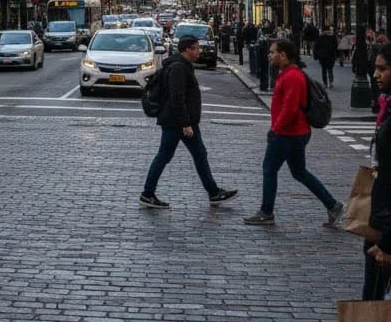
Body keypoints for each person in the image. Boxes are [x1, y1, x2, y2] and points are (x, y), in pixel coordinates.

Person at [244, 38, 344, 227]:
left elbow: (289, 108)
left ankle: (266, 211)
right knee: (299, 172)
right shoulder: (290, 73)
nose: (269, 55)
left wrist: (276, 129)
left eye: (273, 52)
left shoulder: (292, 76)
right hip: (295, 132)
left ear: (283, 55)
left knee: (269, 169)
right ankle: (332, 205)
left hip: (288, 133)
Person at [139, 35, 238, 209]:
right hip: (178, 121)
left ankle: (213, 192)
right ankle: (148, 193)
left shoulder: (182, 66)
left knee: (196, 154)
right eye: (196, 48)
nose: (198, 51)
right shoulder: (178, 68)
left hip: (180, 120)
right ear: (187, 50)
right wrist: (186, 123)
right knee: (167, 156)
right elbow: (177, 98)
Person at [364, 43, 391, 300]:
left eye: (383, 69)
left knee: (374, 302)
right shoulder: (387, 106)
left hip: (386, 226)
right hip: (380, 220)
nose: (376, 75)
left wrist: (387, 243)